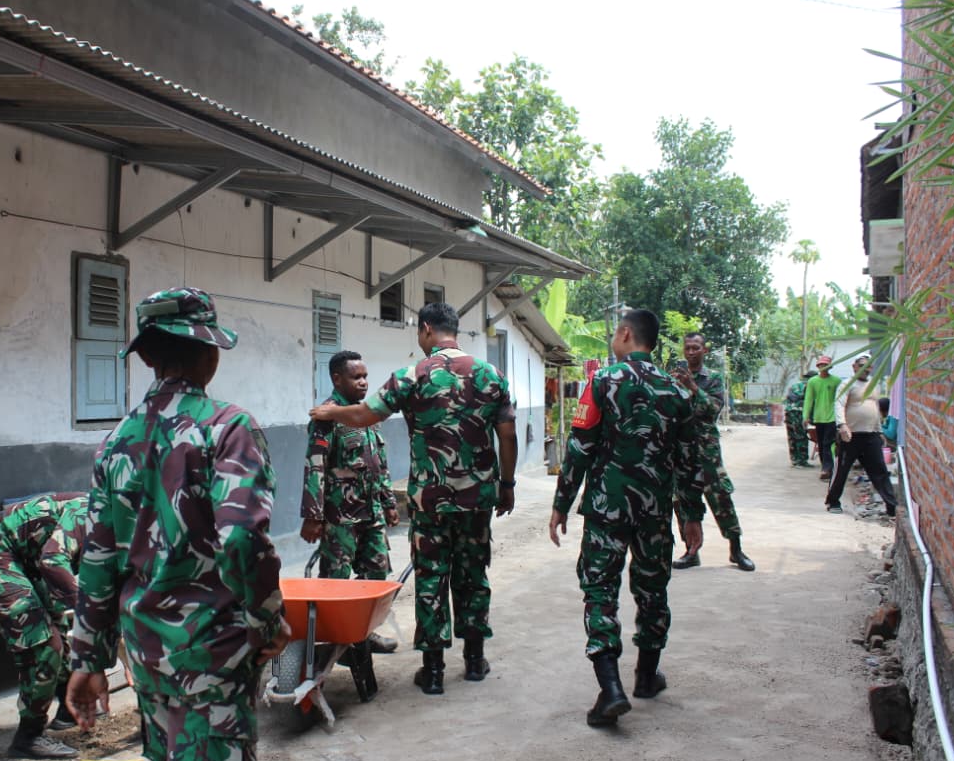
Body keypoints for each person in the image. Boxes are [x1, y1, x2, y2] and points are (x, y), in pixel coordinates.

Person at [67, 287, 291, 761]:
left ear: (147, 356)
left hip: (147, 655)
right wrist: (269, 618)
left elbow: (98, 557)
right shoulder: (227, 428)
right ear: (210, 351)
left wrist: (88, 657)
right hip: (210, 651)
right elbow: (241, 539)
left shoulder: (117, 440)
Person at [310, 301, 517, 695]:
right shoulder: (491, 374)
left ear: (425, 330)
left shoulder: (412, 375)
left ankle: (434, 671)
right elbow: (507, 435)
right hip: (476, 500)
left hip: (431, 502)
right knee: (473, 576)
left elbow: (365, 415)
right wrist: (506, 485)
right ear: (454, 330)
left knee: (432, 579)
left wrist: (329, 412)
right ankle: (475, 661)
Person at [549, 309, 704, 727]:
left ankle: (610, 689)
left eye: (616, 335)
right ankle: (647, 676)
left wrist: (561, 503)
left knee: (600, 591)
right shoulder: (677, 390)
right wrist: (692, 517)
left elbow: (579, 446)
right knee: (653, 590)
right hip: (654, 511)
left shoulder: (602, 382)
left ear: (625, 334)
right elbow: (691, 462)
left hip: (606, 509)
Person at [0, 492, 89, 759]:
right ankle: (29, 737)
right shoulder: (89, 514)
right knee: (43, 645)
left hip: (30, 560)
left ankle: (68, 708)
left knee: (58, 627)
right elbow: (54, 562)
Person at [301, 349, 400, 653]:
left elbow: (378, 462)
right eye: (356, 377)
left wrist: (388, 501)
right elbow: (315, 466)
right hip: (340, 516)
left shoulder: (365, 413)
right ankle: (334, 643)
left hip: (371, 513)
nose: (363, 383)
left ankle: (364, 635)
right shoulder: (326, 416)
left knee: (376, 573)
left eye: (365, 377)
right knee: (336, 581)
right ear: (336, 378)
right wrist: (314, 516)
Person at [670, 332, 755, 572]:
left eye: (696, 347)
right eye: (688, 347)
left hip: (707, 451)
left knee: (721, 498)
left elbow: (714, 409)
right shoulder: (673, 379)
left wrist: (693, 388)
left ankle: (736, 550)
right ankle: (691, 551)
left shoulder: (713, 379)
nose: (691, 351)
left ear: (704, 350)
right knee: (684, 502)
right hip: (681, 452)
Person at [825, 354, 898, 518]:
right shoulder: (847, 384)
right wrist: (842, 425)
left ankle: (891, 506)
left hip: (870, 435)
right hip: (850, 435)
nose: (866, 369)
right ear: (854, 367)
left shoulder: (874, 384)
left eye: (869, 366)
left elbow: (876, 408)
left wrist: (879, 431)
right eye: (862, 365)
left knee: (879, 470)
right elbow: (839, 404)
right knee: (842, 470)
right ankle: (833, 501)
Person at [804, 355, 842, 480]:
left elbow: (841, 399)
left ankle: (827, 468)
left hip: (832, 417)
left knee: (827, 443)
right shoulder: (813, 381)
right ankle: (825, 468)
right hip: (818, 417)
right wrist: (806, 416)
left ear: (829, 367)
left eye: (825, 365)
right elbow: (808, 399)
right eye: (821, 365)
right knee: (821, 444)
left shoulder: (836, 381)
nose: (823, 367)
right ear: (818, 367)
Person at [784, 372, 816, 467]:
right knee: (801, 437)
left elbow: (788, 398)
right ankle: (802, 461)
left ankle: (794, 460)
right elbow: (811, 402)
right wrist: (812, 418)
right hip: (799, 413)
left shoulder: (794, 386)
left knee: (792, 437)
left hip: (789, 413)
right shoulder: (810, 386)